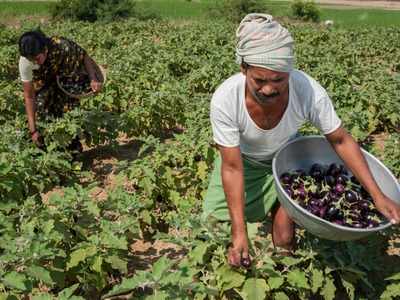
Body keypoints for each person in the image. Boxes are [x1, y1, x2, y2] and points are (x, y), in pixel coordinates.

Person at [202, 13, 400, 267]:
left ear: (289, 70)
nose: (269, 89)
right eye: (259, 80)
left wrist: (377, 195)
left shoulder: (306, 90)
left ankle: (285, 276)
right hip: (244, 163)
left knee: (284, 237)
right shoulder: (225, 99)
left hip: (286, 162)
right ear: (244, 69)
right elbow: (231, 166)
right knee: (213, 227)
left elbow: (340, 140)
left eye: (278, 80)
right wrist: (239, 232)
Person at [18, 30, 103, 150]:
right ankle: (48, 147)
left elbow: (84, 56)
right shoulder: (25, 63)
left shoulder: (62, 46)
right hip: (44, 81)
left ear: (45, 49)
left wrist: (93, 79)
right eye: (31, 60)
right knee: (42, 108)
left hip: (67, 77)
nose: (35, 62)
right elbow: (29, 96)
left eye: (37, 58)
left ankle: (72, 148)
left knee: (68, 114)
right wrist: (33, 130)